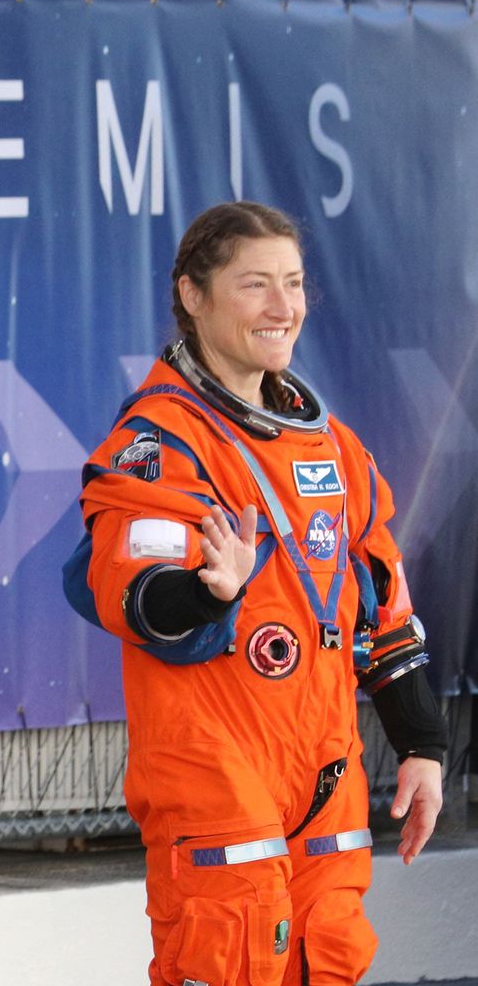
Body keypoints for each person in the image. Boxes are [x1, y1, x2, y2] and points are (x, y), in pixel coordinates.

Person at [70, 201, 448, 985]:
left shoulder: (335, 448)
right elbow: (127, 593)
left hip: (325, 772)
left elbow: (384, 601)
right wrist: (209, 596)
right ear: (193, 295)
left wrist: (421, 745)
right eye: (255, 286)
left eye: (295, 284)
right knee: (231, 953)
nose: (283, 309)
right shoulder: (159, 442)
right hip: (213, 770)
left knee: (328, 957)